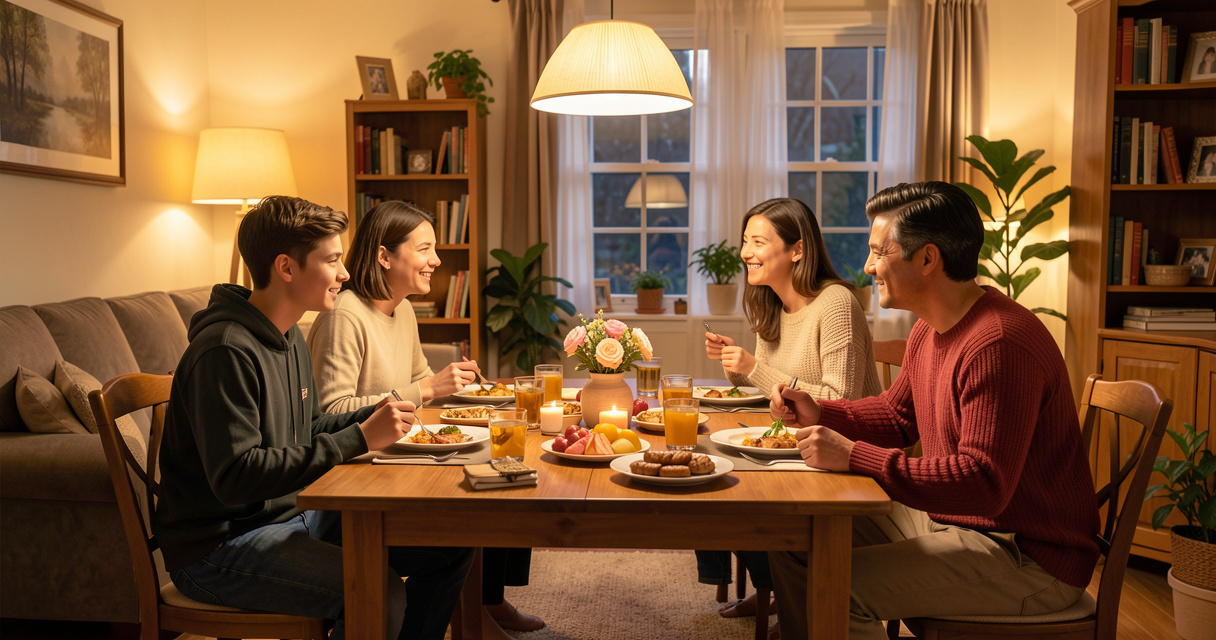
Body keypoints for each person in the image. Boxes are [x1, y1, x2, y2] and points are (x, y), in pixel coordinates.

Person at [767, 182, 1100, 640]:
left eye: (879, 252)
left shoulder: (1000, 342)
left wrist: (854, 455)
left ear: (927, 259)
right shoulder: (931, 329)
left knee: (836, 585)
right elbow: (896, 416)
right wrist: (820, 411)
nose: (867, 267)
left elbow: (983, 484)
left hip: (1027, 557)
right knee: (793, 542)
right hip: (953, 522)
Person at [152, 196, 473, 640]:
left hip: (292, 514)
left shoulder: (288, 335)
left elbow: (309, 429)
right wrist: (358, 437)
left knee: (448, 546)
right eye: (333, 260)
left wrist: (373, 417)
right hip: (221, 546)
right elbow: (237, 477)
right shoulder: (224, 351)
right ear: (286, 268)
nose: (345, 273)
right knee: (377, 591)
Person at [307, 200, 545, 637]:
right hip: (350, 483)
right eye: (424, 249)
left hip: (394, 458)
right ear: (384, 255)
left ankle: (483, 611)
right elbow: (332, 413)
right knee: (458, 534)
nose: (436, 260)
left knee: (505, 469)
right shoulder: (344, 317)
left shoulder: (401, 309)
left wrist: (464, 390)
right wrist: (428, 389)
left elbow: (420, 378)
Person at [696, 197, 882, 621]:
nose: (745, 252)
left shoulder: (835, 304)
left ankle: (788, 590)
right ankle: (779, 587)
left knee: (732, 486)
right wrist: (737, 364)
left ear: (797, 249)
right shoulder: (774, 305)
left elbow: (841, 403)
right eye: (745, 241)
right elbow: (772, 383)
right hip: (791, 442)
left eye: (757, 242)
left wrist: (755, 368)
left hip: (841, 453)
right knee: (703, 461)